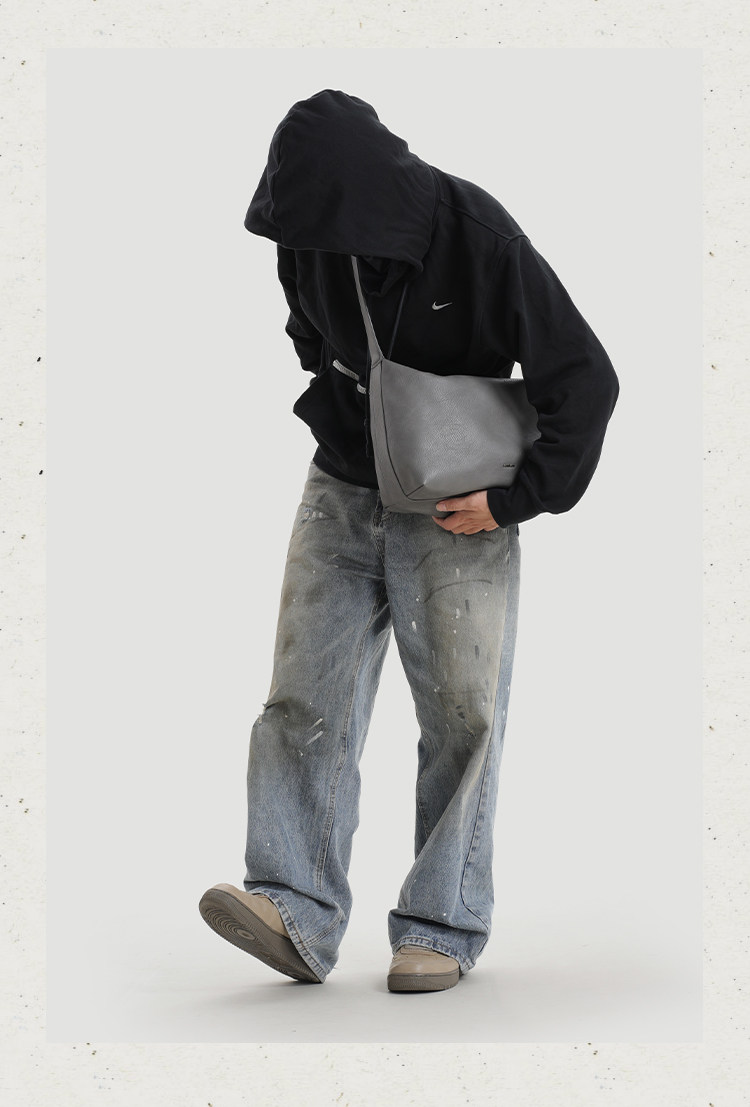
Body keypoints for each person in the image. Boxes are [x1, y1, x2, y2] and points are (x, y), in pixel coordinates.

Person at [199, 89, 619, 992]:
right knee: (301, 694)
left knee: (463, 714)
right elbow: (308, 330)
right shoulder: (305, 234)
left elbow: (587, 378)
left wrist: (513, 499)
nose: (306, 238)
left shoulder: (480, 236)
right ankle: (293, 910)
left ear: (364, 189)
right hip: (342, 482)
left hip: (457, 503)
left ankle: (442, 923)